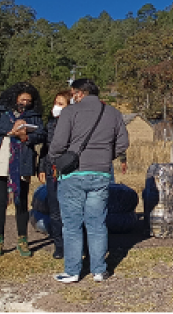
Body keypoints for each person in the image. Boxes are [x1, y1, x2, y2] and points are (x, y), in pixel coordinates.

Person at [48, 79, 129, 283]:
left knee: (72, 224)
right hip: (101, 173)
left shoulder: (70, 112)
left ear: (78, 93)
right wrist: (105, 157)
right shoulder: (113, 113)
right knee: (97, 223)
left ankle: (73, 271)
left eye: (73, 93)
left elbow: (58, 143)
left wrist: (56, 157)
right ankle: (99, 270)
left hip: (73, 173)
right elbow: (123, 143)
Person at [0, 82, 46, 257]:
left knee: (21, 202)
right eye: (22, 99)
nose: (25, 102)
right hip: (1, 159)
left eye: (28, 100)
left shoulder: (33, 115)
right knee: (0, 201)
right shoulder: (0, 109)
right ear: (15, 97)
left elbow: (41, 133)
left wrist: (26, 135)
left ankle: (23, 240)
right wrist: (12, 130)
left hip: (23, 161)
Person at [37, 90, 72, 259]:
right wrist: (42, 167)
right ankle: (60, 246)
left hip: (70, 171)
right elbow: (45, 148)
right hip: (52, 171)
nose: (56, 107)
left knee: (72, 210)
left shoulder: (74, 124)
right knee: (55, 210)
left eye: (61, 104)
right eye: (55, 103)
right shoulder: (50, 124)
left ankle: (77, 244)